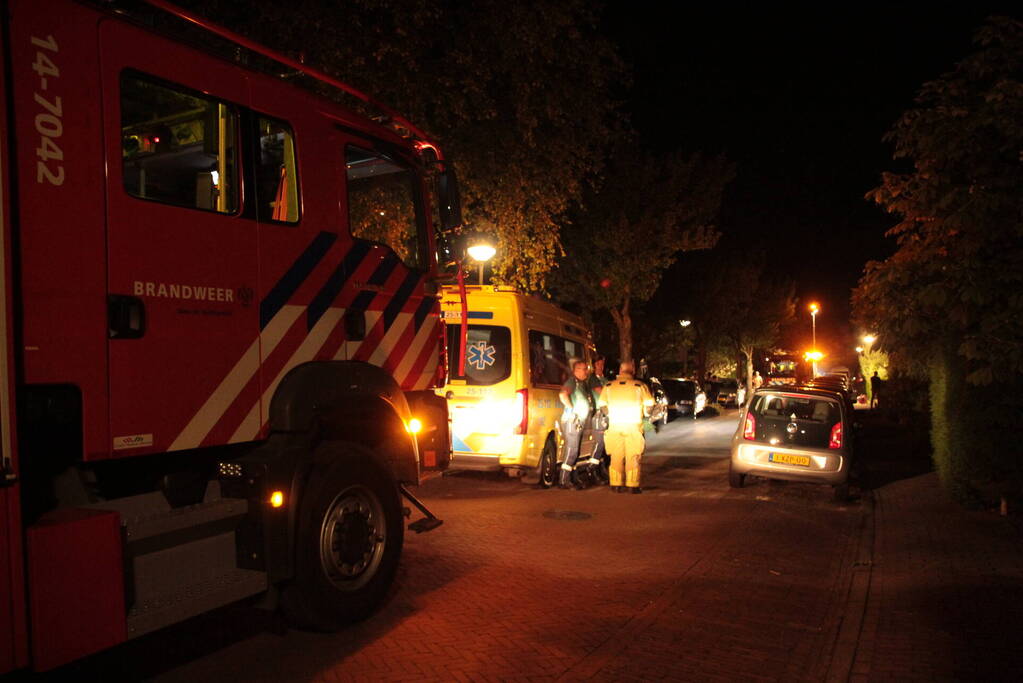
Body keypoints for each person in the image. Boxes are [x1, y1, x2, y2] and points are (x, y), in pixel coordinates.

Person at [600, 360, 653, 494]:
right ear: (633, 370)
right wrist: (646, 414)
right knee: (633, 456)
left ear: (620, 370)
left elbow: (602, 405)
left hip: (615, 425)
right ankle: (632, 485)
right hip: (633, 426)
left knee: (616, 456)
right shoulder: (639, 386)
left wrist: (610, 415)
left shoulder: (609, 386)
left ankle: (615, 484)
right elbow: (649, 405)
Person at [558, 359, 595, 489]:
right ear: (577, 370)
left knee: (576, 451)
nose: (587, 372)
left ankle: (573, 478)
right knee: (572, 450)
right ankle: (564, 480)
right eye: (585, 369)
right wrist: (571, 411)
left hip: (578, 422)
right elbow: (563, 394)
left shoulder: (581, 383)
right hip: (572, 421)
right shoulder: (572, 382)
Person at [584, 356, 609, 483]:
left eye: (602, 364)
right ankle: (591, 469)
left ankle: (601, 470)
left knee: (604, 445)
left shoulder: (605, 379)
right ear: (594, 366)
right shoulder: (593, 379)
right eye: (598, 364)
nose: (601, 366)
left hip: (607, 413)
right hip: (599, 414)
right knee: (599, 443)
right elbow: (603, 392)